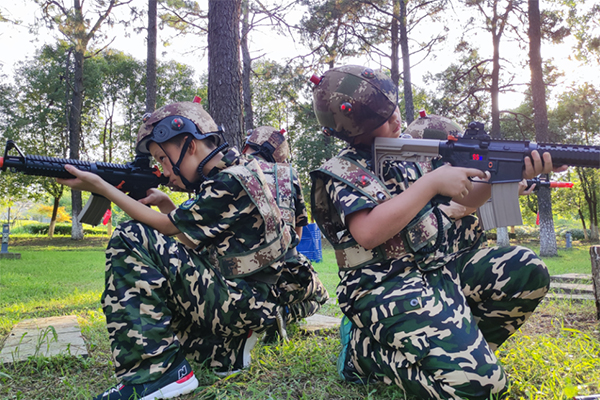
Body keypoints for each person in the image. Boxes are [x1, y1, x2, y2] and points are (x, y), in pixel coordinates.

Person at [309, 65, 557, 399]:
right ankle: (364, 355)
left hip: (440, 273)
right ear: (353, 129)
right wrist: (430, 184)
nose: (397, 119)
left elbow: (470, 197)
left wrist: (508, 173)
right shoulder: (342, 170)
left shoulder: (413, 155)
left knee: (527, 270)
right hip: (384, 287)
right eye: (385, 117)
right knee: (481, 387)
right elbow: (367, 232)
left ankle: (465, 351)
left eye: (394, 108)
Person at [58, 101, 290, 400]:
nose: (163, 170)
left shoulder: (229, 181)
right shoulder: (238, 172)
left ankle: (157, 375)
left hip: (246, 302)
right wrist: (167, 202)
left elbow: (166, 227)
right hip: (251, 298)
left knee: (131, 235)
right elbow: (196, 243)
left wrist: (104, 187)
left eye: (162, 158)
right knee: (158, 264)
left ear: (189, 144)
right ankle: (222, 348)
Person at [243, 126, 329, 342]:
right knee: (320, 296)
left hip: (236, 279)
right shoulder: (287, 173)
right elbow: (298, 229)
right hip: (282, 273)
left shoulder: (226, 172)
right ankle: (285, 313)